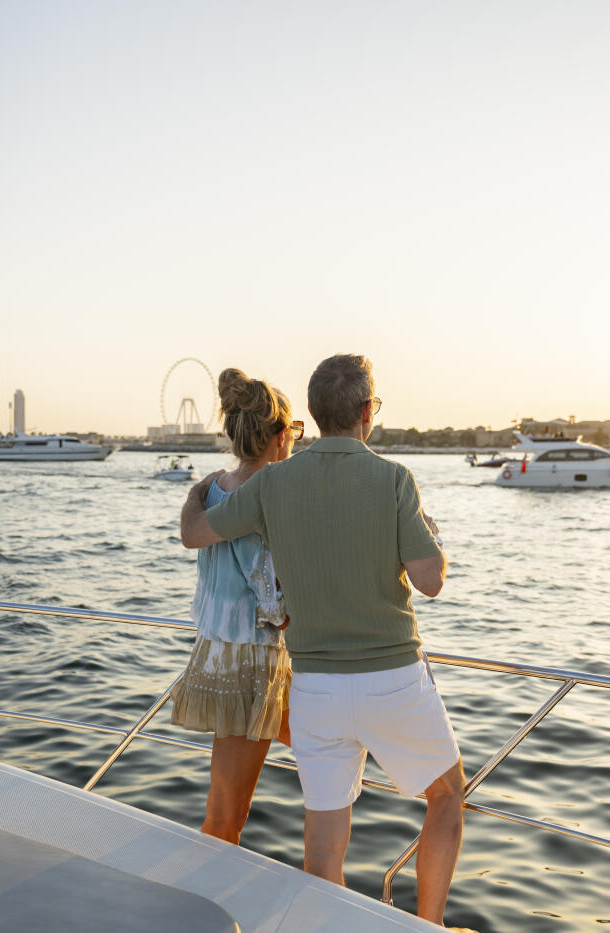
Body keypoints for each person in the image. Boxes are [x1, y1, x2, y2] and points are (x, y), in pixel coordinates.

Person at [181, 354, 464, 926]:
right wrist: (430, 536)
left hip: (314, 690)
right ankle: (429, 925)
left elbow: (199, 533)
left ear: (313, 412)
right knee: (447, 799)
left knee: (323, 847)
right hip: (392, 682)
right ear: (367, 412)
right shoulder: (393, 479)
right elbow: (430, 581)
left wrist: (198, 490)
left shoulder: (275, 483)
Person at [172, 367, 303, 844]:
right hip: (253, 658)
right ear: (280, 434)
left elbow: (192, 536)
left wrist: (192, 494)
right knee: (227, 815)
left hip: (218, 651)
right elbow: (273, 594)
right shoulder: (273, 494)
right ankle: (203, 900)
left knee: (324, 741)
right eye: (295, 431)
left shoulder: (211, 488)